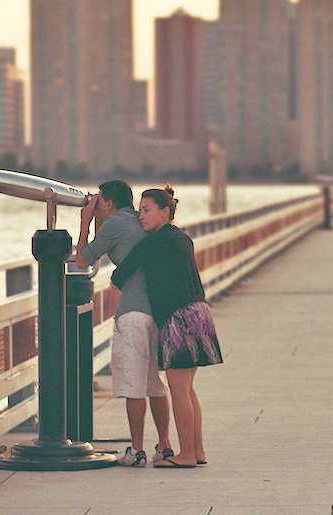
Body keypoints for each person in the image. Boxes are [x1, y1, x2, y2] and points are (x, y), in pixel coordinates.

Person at [111, 186, 223, 468]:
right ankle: (196, 451)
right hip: (199, 312)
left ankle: (185, 455)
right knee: (187, 388)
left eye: (147, 211)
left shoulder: (154, 242)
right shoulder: (182, 238)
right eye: (139, 211)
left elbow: (119, 275)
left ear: (165, 212)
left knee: (179, 388)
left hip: (178, 318)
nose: (141, 217)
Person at [75, 181, 172, 468]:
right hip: (158, 310)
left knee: (133, 384)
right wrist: (98, 223)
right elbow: (101, 251)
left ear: (107, 202)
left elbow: (82, 261)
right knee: (156, 383)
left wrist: (84, 222)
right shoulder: (139, 222)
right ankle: (164, 446)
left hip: (133, 313)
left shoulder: (115, 223)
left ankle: (137, 450)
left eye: (98, 202)